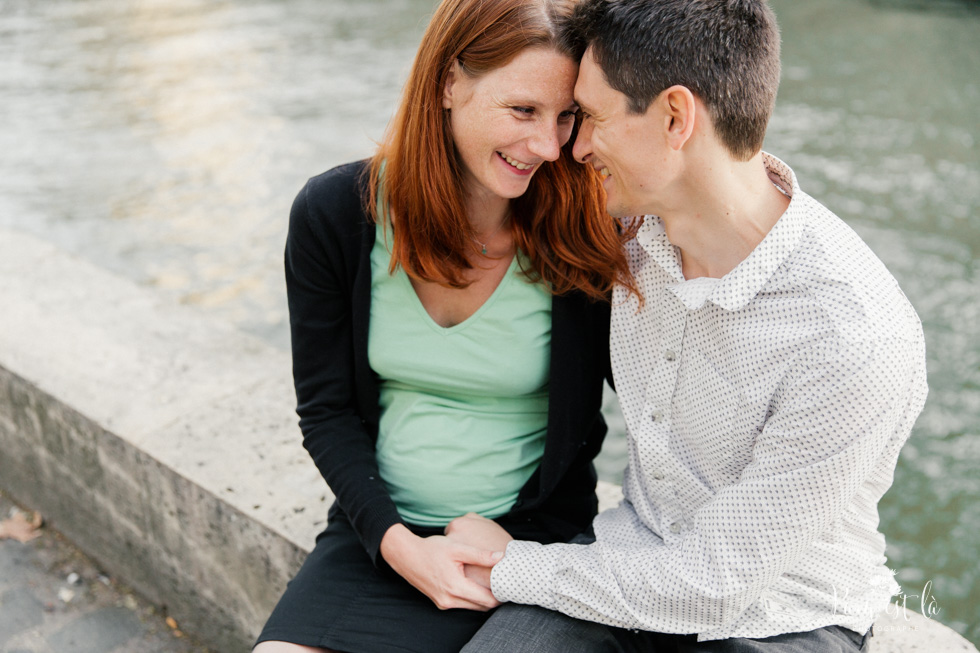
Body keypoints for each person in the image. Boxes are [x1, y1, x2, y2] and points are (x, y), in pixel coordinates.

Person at [448, 0, 929, 651]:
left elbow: (712, 582)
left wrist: (512, 565)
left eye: (590, 117)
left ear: (675, 116)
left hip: (782, 616)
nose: (576, 145)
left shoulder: (853, 336)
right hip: (626, 561)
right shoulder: (626, 227)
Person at [253, 0, 637, 651]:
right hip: (377, 537)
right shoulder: (333, 216)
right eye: (523, 111)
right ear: (447, 83)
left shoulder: (585, 231)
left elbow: (660, 402)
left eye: (566, 116)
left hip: (529, 545)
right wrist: (399, 546)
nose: (548, 147)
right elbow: (325, 411)